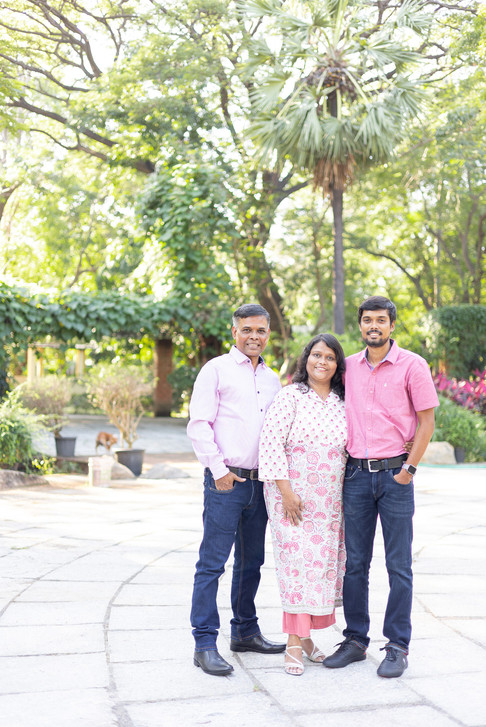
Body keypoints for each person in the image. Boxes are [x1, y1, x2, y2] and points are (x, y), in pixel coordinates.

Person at [323, 296, 439, 678]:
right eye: (367, 320)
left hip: (395, 476)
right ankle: (355, 640)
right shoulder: (348, 368)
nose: (373, 326)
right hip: (355, 476)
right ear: (360, 325)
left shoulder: (413, 365)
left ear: (391, 325)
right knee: (355, 564)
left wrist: (409, 470)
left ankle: (397, 645)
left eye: (381, 320)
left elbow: (426, 422)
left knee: (398, 565)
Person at [187, 303, 285, 676]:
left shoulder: (272, 379)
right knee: (212, 564)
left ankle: (244, 631)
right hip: (226, 482)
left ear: (268, 334)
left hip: (261, 483)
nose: (253, 336)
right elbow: (199, 424)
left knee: (251, 562)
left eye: (260, 330)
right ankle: (204, 643)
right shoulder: (216, 370)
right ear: (235, 332)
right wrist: (219, 471)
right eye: (247, 330)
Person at [259, 333, 347, 676]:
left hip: (329, 503)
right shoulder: (291, 396)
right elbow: (270, 443)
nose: (322, 362)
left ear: (337, 364)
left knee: (319, 568)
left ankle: (306, 638)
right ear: (306, 358)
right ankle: (293, 644)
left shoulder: (342, 402)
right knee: (295, 566)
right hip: (291, 498)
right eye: (316, 355)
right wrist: (286, 492)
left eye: (329, 357)